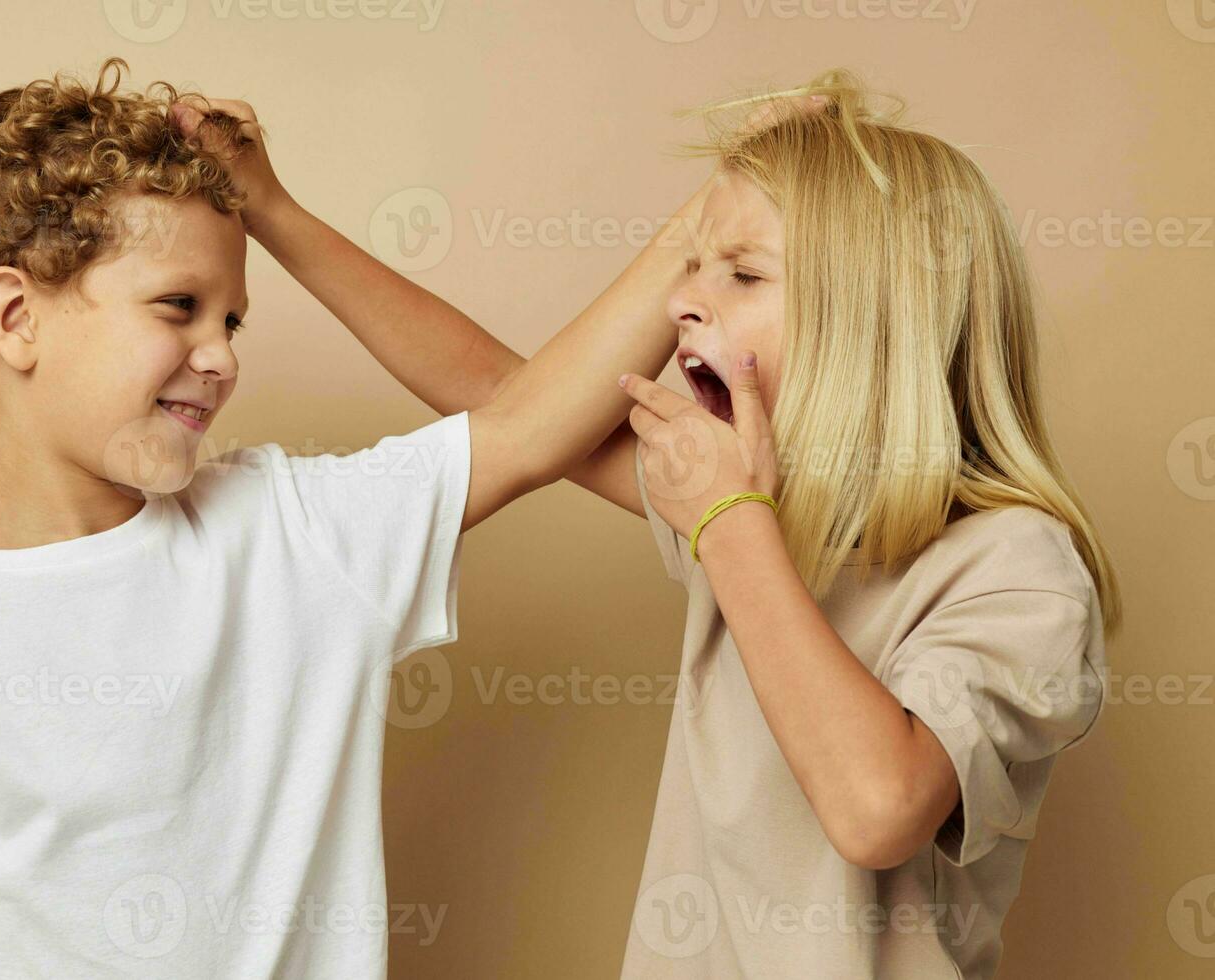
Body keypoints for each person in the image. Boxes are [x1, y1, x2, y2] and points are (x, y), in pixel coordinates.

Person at [0, 56, 717, 977]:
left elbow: (525, 425)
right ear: (14, 319)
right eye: (179, 306)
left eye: (233, 321)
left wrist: (705, 229)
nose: (221, 357)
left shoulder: (291, 535)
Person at [198, 68, 1122, 978]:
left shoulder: (1018, 568)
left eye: (744, 274)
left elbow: (878, 809)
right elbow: (508, 405)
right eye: (697, 273)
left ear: (880, 318)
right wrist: (271, 209)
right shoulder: (771, 512)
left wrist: (728, 520)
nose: (682, 304)